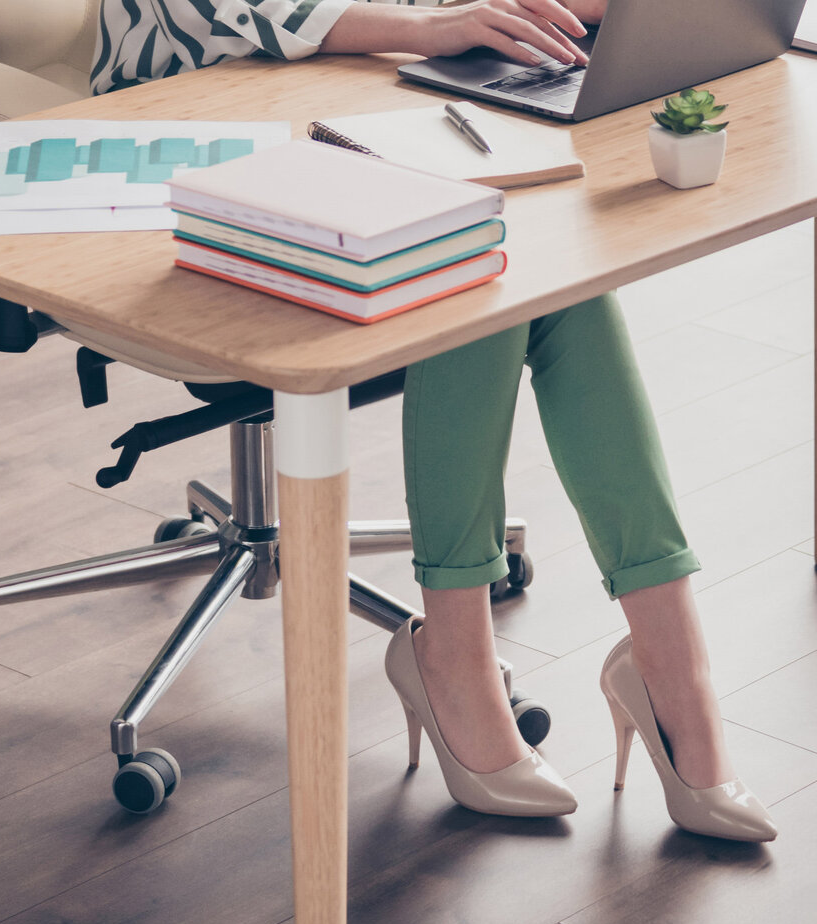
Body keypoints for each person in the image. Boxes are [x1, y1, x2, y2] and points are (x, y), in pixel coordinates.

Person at [92, 0, 777, 842]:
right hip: (177, 181)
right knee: (477, 264)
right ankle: (494, 658)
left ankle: (666, 662)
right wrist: (427, 28)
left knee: (538, 270)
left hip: (332, 126)